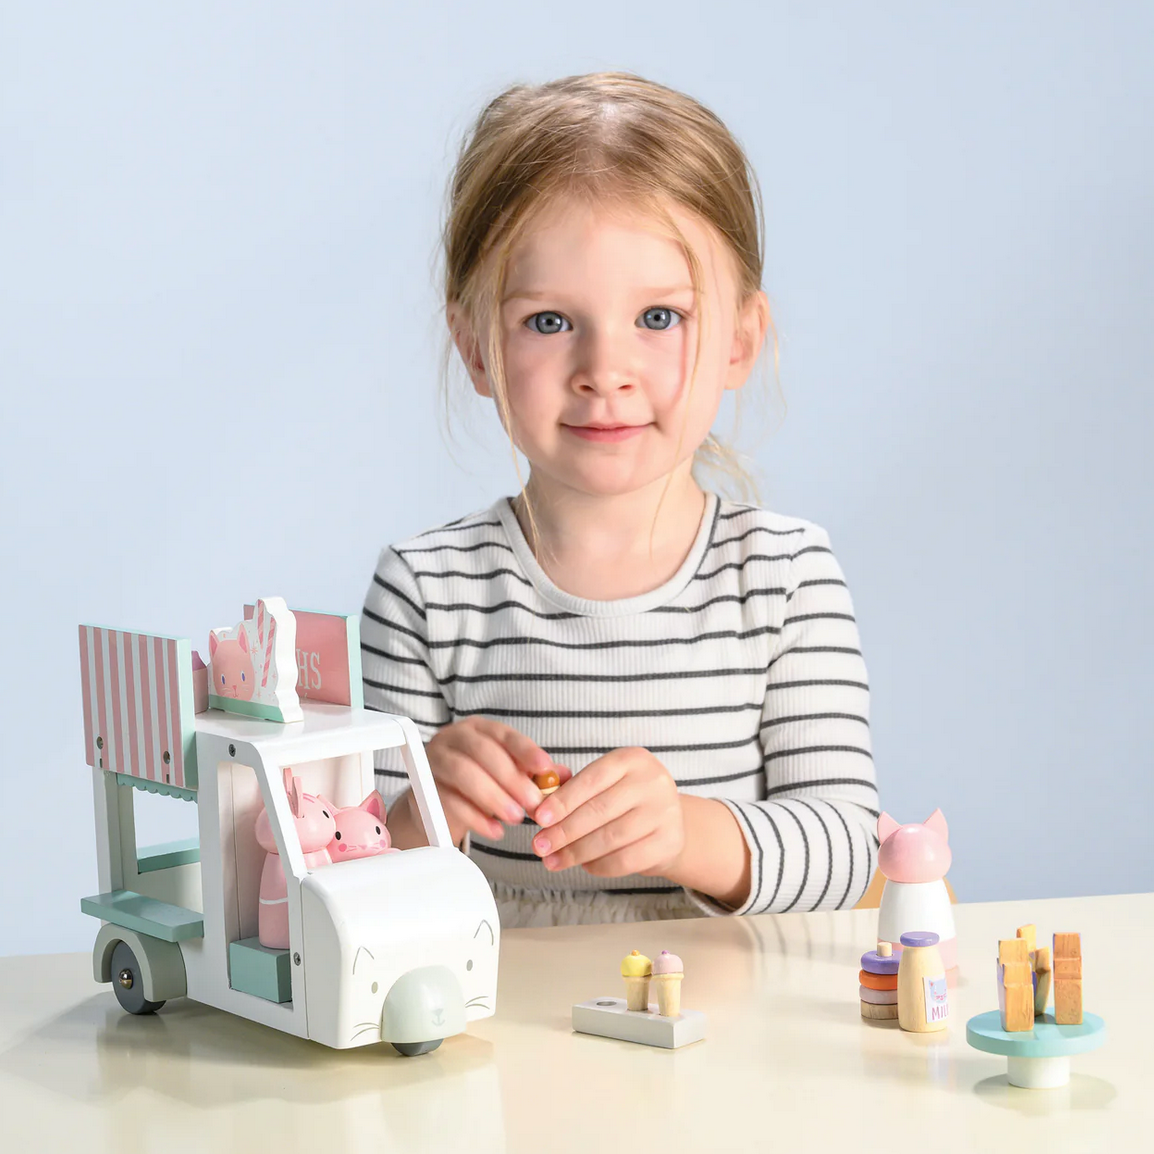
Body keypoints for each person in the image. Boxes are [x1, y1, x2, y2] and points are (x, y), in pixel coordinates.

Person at [363, 72, 880, 928]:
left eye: (660, 317)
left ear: (740, 341)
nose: (605, 370)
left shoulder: (786, 577)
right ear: (477, 348)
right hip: (503, 1012)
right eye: (549, 322)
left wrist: (685, 833)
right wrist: (424, 814)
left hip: (720, 1011)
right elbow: (356, 875)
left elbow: (845, 848)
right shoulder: (425, 590)